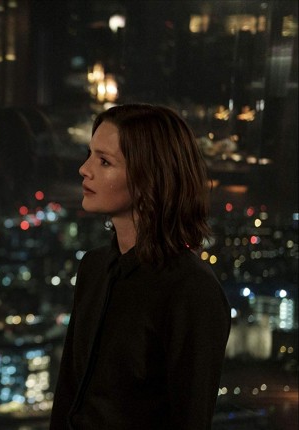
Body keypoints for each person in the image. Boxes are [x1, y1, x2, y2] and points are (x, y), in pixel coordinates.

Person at [49, 104, 230, 429]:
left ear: (149, 178)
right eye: (90, 155)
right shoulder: (94, 267)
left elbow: (190, 418)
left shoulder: (192, 289)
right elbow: (68, 395)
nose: (84, 169)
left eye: (104, 161)